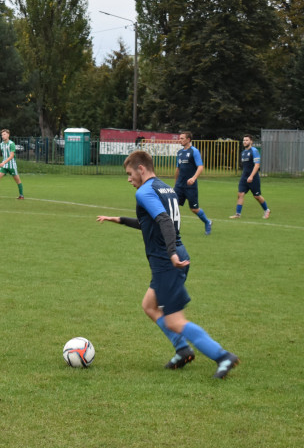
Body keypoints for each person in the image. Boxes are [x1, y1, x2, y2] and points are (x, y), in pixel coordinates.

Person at [97, 149, 239, 378]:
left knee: (175, 320)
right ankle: (182, 350)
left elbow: (163, 221)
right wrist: (120, 220)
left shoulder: (144, 192)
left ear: (140, 169)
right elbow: (152, 222)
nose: (128, 179)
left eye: (129, 173)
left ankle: (222, 356)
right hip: (175, 255)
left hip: (167, 261)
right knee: (149, 306)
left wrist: (171, 253)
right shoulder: (165, 188)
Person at [174, 131, 213, 235]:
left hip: (190, 186)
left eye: (182, 138)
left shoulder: (194, 151)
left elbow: (200, 166)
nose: (180, 140)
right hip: (179, 185)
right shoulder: (180, 152)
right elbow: (178, 168)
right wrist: (175, 183)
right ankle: (172, 229)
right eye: (180, 138)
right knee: (173, 205)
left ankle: (207, 222)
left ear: (188, 140)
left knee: (194, 208)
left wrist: (193, 178)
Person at [230, 134, 271, 220]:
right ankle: (238, 214)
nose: (245, 142)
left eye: (247, 140)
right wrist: (245, 176)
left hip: (253, 178)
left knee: (257, 196)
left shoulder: (254, 151)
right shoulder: (243, 153)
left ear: (251, 141)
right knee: (240, 194)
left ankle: (267, 210)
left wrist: (251, 176)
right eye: (244, 140)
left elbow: (257, 165)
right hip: (244, 177)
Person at [0, 129, 24, 199]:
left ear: (8, 135)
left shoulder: (11, 143)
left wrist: (3, 162)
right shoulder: (1, 144)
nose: (3, 136)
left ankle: (21, 195)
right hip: (4, 165)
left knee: (17, 180)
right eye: (2, 135)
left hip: (11, 165)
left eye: (4, 134)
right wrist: (3, 163)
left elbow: (12, 156)